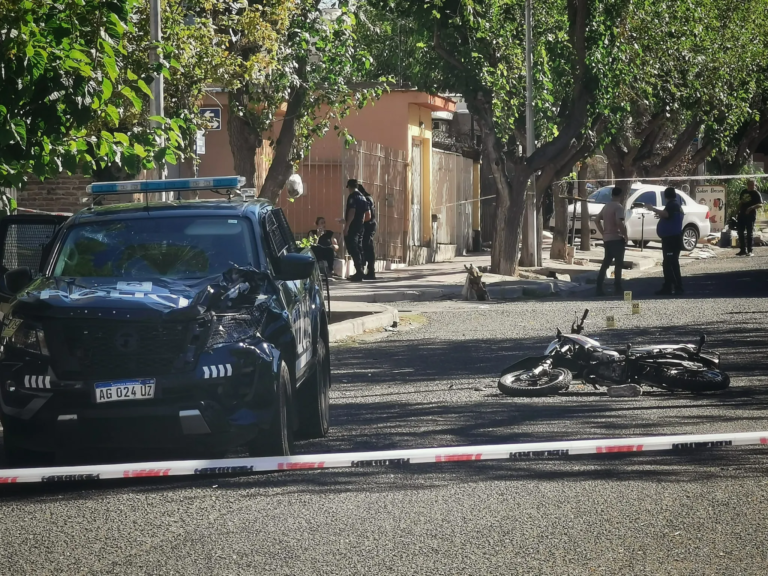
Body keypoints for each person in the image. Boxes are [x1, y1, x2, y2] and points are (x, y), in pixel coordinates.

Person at [645, 187, 684, 295]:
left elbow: (666, 214)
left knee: (669, 263)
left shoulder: (672, 205)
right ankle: (672, 286)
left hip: (671, 239)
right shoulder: (675, 205)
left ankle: (674, 287)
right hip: (673, 238)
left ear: (665, 196)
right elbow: (668, 216)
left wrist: (652, 208)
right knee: (670, 262)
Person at [594, 186, 627, 297]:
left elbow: (597, 220)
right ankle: (617, 287)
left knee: (606, 263)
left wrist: (603, 232)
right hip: (617, 238)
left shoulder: (606, 206)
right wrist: (625, 234)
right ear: (620, 196)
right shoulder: (618, 207)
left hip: (607, 238)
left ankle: (599, 286)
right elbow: (619, 221)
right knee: (618, 264)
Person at [342, 179, 369, 282]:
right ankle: (361, 269)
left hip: (353, 226)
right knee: (358, 246)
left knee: (353, 247)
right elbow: (367, 214)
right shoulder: (363, 197)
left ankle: (359, 271)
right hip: (360, 226)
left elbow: (352, 211)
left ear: (349, 187)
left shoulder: (353, 196)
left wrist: (347, 226)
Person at [736, 179, 762, 257]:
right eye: (750, 184)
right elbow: (741, 202)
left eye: (753, 185)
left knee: (749, 233)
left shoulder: (756, 193)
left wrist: (751, 208)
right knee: (740, 232)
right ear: (747, 185)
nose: (752, 186)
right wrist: (737, 211)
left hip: (750, 215)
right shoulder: (743, 192)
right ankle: (742, 250)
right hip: (742, 214)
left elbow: (760, 204)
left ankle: (750, 250)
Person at [358, 184, 377, 280]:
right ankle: (368, 270)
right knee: (365, 247)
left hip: (368, 226)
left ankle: (371, 270)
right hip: (367, 225)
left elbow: (368, 215)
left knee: (367, 246)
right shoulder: (366, 198)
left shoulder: (367, 199)